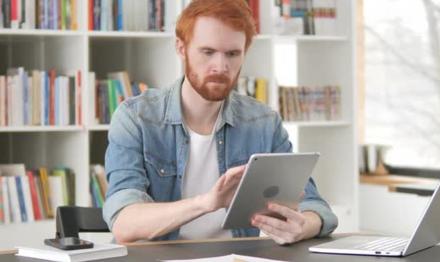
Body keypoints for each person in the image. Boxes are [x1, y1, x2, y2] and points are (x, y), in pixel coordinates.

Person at [103, 0, 337, 245]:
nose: (221, 66)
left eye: (232, 54)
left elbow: (314, 205)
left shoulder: (263, 123)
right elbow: (124, 222)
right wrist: (205, 203)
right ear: (181, 48)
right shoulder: (136, 118)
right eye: (208, 52)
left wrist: (305, 225)